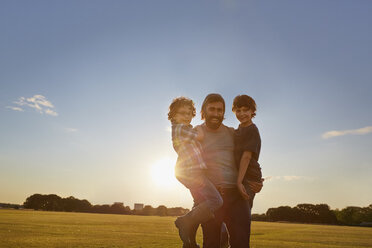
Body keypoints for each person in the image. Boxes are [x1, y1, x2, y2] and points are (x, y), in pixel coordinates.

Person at [194, 93, 263, 248]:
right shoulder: (197, 132)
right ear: (204, 110)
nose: (216, 114)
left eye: (220, 110)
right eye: (212, 109)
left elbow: (247, 156)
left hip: (237, 195)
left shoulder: (233, 133)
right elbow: (185, 163)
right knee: (211, 243)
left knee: (241, 242)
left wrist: (256, 179)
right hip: (212, 196)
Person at [168, 96, 223, 248]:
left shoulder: (185, 129)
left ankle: (189, 243)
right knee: (216, 201)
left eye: (189, 113)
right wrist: (200, 128)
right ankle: (184, 221)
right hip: (191, 172)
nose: (186, 116)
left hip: (192, 172)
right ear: (173, 116)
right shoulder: (179, 128)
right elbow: (200, 135)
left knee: (201, 204)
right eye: (181, 113)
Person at [232, 95, 262, 206]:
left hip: (249, 178)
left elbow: (246, 157)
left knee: (243, 211)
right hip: (241, 175)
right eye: (238, 111)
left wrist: (239, 182)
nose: (241, 114)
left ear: (252, 111)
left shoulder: (252, 130)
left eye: (245, 110)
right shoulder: (239, 129)